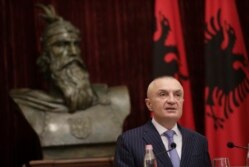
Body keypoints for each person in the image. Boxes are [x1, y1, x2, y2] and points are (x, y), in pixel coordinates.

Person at [10, 4, 130, 157]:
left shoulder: (117, 99)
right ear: (45, 56)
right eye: (61, 45)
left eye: (76, 45)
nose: (73, 52)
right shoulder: (28, 104)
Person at [114, 76, 211, 167]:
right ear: (149, 104)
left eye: (177, 95)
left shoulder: (198, 141)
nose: (172, 100)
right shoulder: (129, 141)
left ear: (182, 101)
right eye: (163, 94)